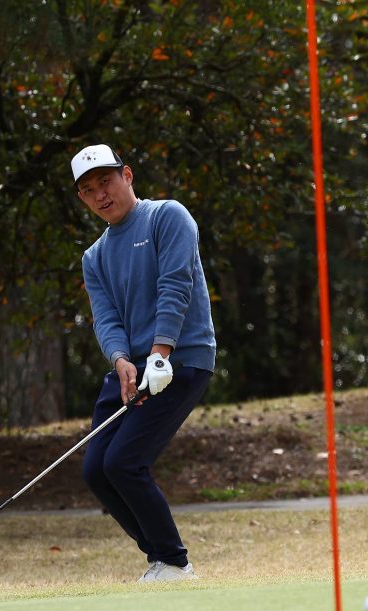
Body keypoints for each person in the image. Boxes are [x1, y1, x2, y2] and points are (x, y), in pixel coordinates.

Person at [71, 143, 216, 582]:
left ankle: (175, 562)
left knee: (124, 462)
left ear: (128, 176)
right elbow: (106, 318)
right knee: (97, 470)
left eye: (106, 181)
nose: (101, 194)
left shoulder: (166, 217)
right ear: (82, 198)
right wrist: (119, 360)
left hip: (181, 358)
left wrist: (160, 353)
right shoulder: (94, 257)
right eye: (89, 189)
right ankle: (161, 559)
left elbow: (176, 285)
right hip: (132, 368)